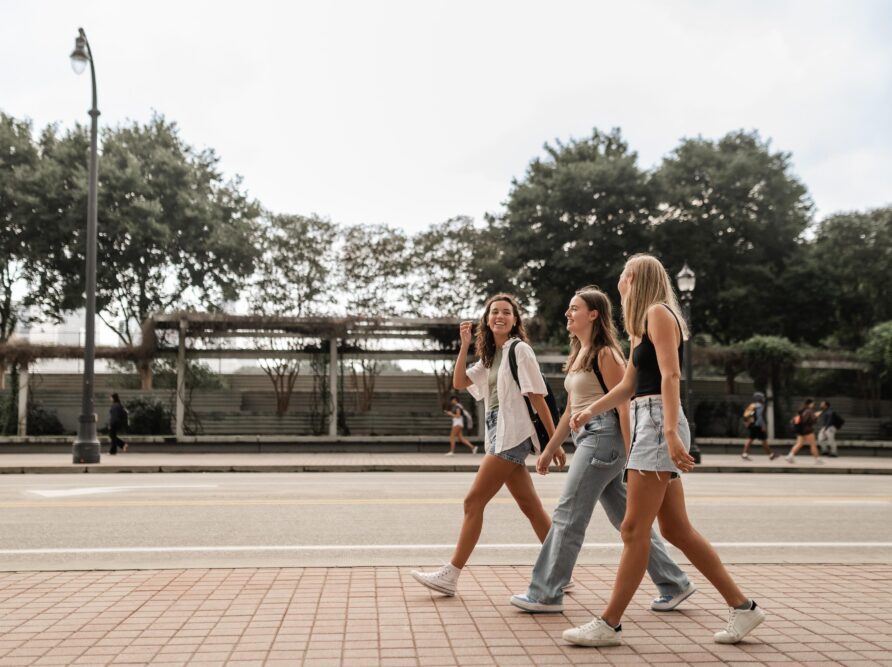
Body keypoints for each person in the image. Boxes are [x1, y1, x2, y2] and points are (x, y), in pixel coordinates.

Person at [562, 254, 766, 647]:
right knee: (674, 528)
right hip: (646, 421)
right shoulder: (640, 326)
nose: (619, 279)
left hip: (658, 422)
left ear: (634, 277)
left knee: (634, 528)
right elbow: (626, 387)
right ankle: (744, 608)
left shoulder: (659, 313)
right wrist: (590, 409)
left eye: (623, 273)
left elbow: (672, 375)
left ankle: (609, 623)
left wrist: (671, 432)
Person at [509, 286, 695, 615]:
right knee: (628, 521)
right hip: (589, 439)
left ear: (593, 314)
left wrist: (630, 453)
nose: (568, 313)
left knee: (568, 515)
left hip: (604, 439)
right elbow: (571, 410)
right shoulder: (580, 354)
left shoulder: (606, 353)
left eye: (574, 308)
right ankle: (674, 583)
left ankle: (546, 593)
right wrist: (550, 447)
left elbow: (625, 405)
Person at [410, 294, 562, 596]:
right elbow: (460, 382)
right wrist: (465, 345)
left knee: (473, 501)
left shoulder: (520, 351)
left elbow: (537, 397)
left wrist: (553, 442)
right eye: (495, 312)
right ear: (487, 319)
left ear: (515, 320)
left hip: (512, 434)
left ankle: (450, 575)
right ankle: (561, 569)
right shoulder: (492, 356)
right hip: (498, 431)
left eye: (507, 312)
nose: (500, 316)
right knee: (530, 506)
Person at [785, 399, 823, 464]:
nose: (813, 405)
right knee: (813, 444)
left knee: (799, 443)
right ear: (810, 404)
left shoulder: (802, 410)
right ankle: (817, 460)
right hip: (807, 430)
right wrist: (816, 416)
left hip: (800, 430)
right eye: (812, 404)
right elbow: (811, 421)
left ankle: (790, 456)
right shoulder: (809, 411)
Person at [741, 392, 775, 460]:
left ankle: (744, 453)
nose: (763, 399)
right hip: (758, 425)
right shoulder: (760, 406)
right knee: (763, 440)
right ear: (759, 399)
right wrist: (763, 425)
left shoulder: (752, 405)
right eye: (762, 398)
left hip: (752, 425)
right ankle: (770, 454)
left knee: (750, 439)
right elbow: (759, 417)